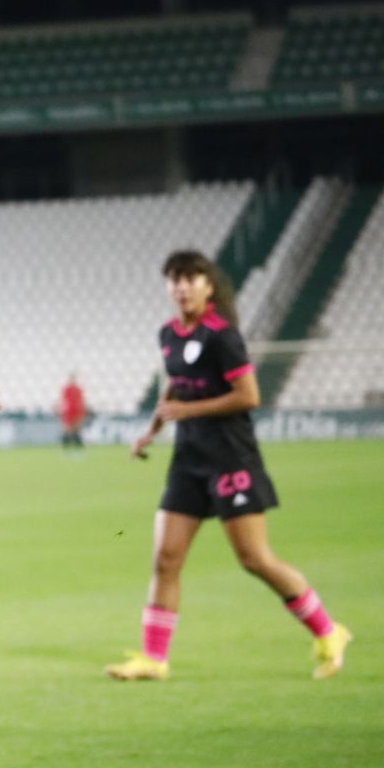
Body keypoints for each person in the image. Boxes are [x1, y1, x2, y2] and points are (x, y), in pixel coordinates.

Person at [106, 249, 351, 682]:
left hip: (231, 458)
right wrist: (151, 431)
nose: (181, 287)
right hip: (188, 461)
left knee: (254, 559)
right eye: (174, 279)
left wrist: (190, 411)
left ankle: (329, 631)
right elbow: (177, 391)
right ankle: (153, 659)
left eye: (190, 278)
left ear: (208, 286)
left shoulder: (224, 336)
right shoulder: (168, 334)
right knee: (166, 558)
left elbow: (248, 396)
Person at [59, 372, 86, 451]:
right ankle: (65, 447)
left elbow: (82, 400)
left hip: (77, 410)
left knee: (77, 429)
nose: (73, 380)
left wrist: (83, 411)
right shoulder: (66, 389)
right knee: (67, 429)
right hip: (69, 411)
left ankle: (78, 447)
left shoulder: (79, 389)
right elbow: (63, 400)